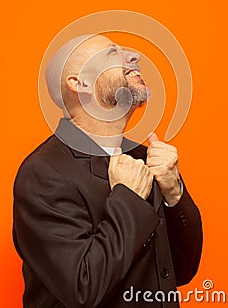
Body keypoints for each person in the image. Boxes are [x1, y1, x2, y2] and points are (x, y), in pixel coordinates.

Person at [13, 34, 203, 308]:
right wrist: (128, 198)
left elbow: (181, 270)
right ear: (80, 83)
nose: (134, 58)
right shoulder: (42, 174)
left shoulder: (143, 157)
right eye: (113, 53)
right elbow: (83, 288)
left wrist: (174, 194)